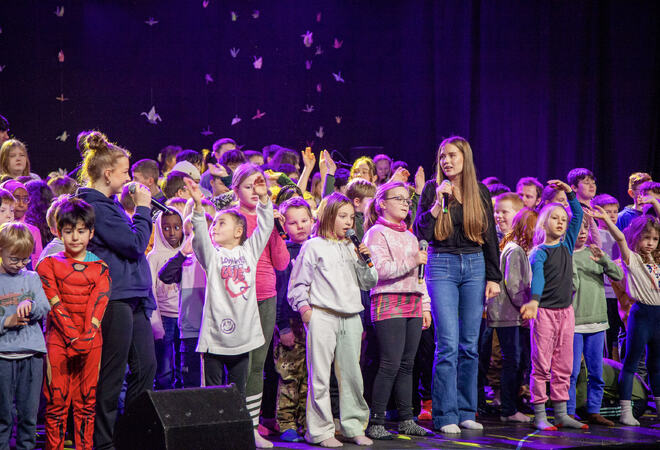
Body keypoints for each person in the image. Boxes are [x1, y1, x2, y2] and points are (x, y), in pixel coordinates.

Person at [413, 136, 501, 433]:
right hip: (442, 265)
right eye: (442, 157)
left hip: (475, 265)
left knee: (469, 345)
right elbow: (421, 231)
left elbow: (490, 237)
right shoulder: (431, 190)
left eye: (451, 155)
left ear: (465, 157)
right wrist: (439, 201)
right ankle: (445, 414)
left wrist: (494, 277)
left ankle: (466, 410)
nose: (446, 161)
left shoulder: (481, 192)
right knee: (447, 344)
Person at [75, 131, 156, 450]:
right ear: (108, 173)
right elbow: (136, 244)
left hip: (133, 299)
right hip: (114, 300)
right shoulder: (93, 205)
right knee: (112, 376)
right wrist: (144, 209)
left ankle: (131, 435)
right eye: (125, 171)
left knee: (146, 368)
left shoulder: (109, 206)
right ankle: (103, 442)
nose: (129, 176)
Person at [185, 176, 275, 448]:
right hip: (215, 340)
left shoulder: (249, 252)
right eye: (215, 224)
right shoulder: (212, 256)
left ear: (238, 231)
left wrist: (264, 199)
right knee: (213, 391)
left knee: (240, 390)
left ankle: (244, 432)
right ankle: (214, 435)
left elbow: (265, 227)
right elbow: (200, 238)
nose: (215, 228)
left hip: (243, 337)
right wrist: (199, 210)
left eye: (221, 223)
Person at [288, 192, 378, 447]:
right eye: (343, 216)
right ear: (329, 216)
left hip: (351, 317)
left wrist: (365, 261)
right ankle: (320, 430)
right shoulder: (313, 246)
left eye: (351, 217)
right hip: (323, 316)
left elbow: (370, 281)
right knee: (320, 377)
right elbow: (297, 285)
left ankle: (353, 426)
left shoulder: (353, 247)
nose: (349, 222)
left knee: (352, 376)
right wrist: (306, 311)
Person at [37, 198, 111, 450]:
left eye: (81, 231)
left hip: (90, 343)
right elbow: (54, 305)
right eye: (68, 231)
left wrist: (84, 339)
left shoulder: (101, 268)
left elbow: (98, 305)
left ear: (91, 232)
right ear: (58, 232)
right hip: (58, 341)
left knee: (86, 402)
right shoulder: (47, 264)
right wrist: (73, 337)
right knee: (57, 401)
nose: (75, 237)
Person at [362, 181, 433, 440]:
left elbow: (420, 277)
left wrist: (425, 306)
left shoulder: (412, 236)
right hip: (388, 300)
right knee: (390, 362)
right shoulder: (375, 233)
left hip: (413, 301)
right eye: (399, 198)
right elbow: (379, 270)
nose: (405, 203)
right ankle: (376, 421)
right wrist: (412, 260)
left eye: (407, 200)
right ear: (382, 203)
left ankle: (406, 419)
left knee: (407, 364)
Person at [519, 180, 586, 430]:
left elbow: (577, 213)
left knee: (564, 364)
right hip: (545, 313)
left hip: (566, 313)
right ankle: (539, 414)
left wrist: (569, 192)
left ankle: (560, 413)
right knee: (542, 365)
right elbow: (539, 279)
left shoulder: (567, 245)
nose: (561, 222)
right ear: (544, 222)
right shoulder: (540, 252)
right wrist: (535, 301)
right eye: (555, 218)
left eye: (563, 219)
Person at [231, 163, 290, 448]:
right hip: (237, 298)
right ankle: (233, 423)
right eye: (248, 186)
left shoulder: (270, 219)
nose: (255, 191)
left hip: (266, 295)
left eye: (260, 185)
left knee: (257, 364)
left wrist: (275, 230)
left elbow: (281, 263)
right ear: (236, 189)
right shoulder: (230, 218)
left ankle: (252, 427)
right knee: (238, 363)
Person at [567, 206, 623, 426]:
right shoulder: (565, 254)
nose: (582, 231)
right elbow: (569, 285)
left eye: (585, 226)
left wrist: (603, 261)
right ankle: (569, 412)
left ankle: (594, 410)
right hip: (574, 322)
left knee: (596, 372)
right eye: (577, 227)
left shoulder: (595, 252)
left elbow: (618, 275)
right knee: (571, 372)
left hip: (597, 321)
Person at [603, 214, 660, 426]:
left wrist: (655, 205)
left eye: (655, 239)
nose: (650, 243)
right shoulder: (632, 259)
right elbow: (619, 237)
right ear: (636, 237)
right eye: (646, 238)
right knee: (631, 363)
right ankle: (626, 410)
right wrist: (607, 221)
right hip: (641, 314)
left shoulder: (658, 259)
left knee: (656, 365)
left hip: (658, 317)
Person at [0, 222, 50, 450]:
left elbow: (44, 307)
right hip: (3, 356)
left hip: (31, 354)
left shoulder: (31, 277)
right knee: (3, 418)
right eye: (14, 259)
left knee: (29, 418)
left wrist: (31, 304)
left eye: (25, 259)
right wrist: (6, 321)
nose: (20, 264)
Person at [485, 208, 537, 423]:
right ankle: (508, 409)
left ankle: (510, 407)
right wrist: (525, 307)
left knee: (514, 360)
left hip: (509, 313)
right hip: (508, 313)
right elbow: (514, 285)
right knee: (512, 360)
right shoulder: (515, 250)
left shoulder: (513, 248)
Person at [273, 197, 314, 442]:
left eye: (304, 221)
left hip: (313, 321)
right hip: (290, 322)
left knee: (310, 376)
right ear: (284, 226)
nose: (300, 226)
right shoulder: (284, 253)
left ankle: (304, 422)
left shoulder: (318, 247)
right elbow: (279, 293)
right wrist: (284, 326)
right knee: (289, 375)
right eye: (293, 222)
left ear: (313, 221)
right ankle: (285, 422)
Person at [158, 214, 211, 388]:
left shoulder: (217, 260)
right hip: (190, 331)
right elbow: (165, 276)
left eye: (196, 234)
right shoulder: (185, 262)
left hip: (212, 331)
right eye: (188, 235)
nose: (192, 239)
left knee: (212, 382)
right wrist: (182, 254)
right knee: (191, 381)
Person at [147, 209, 184, 390]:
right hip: (166, 318)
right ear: (159, 229)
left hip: (185, 318)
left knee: (183, 363)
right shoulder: (153, 257)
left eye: (177, 227)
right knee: (164, 364)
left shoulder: (188, 253)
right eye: (166, 228)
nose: (172, 232)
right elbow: (151, 291)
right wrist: (156, 322)